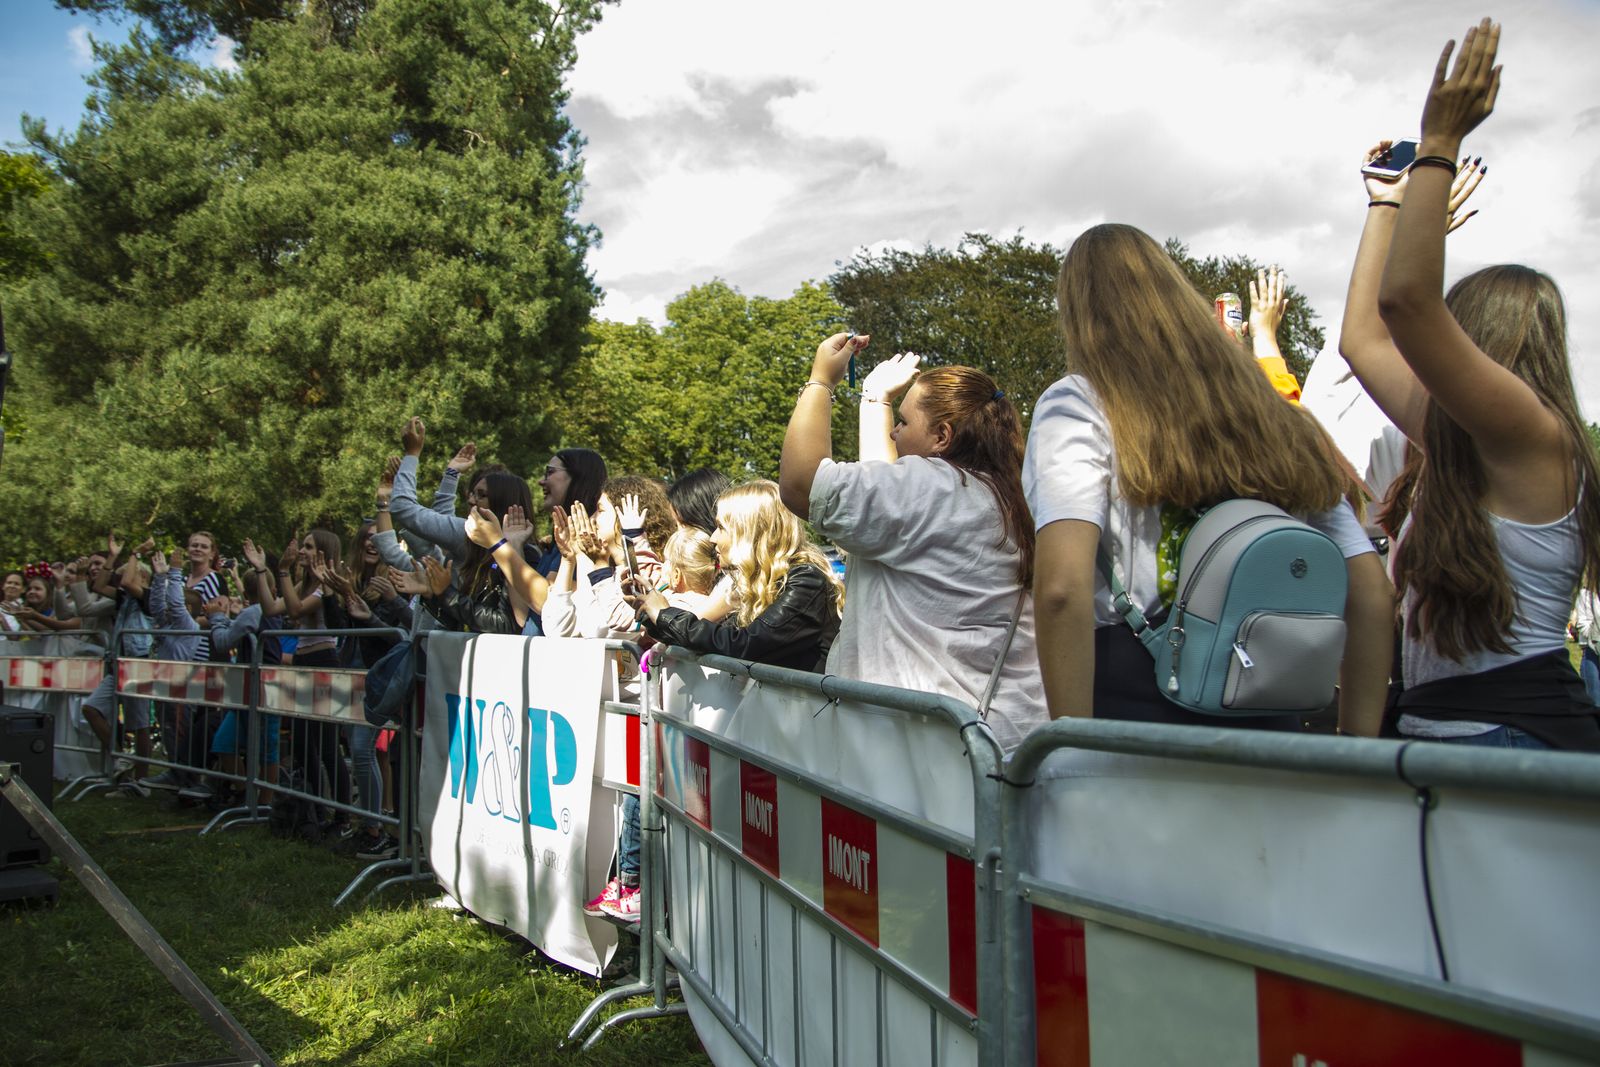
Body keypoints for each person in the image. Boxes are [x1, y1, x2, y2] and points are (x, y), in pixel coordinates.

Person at [1340, 20, 1600, 750]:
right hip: (1449, 732)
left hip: (1515, 736)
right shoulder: (1464, 439)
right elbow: (1364, 340)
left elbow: (1406, 305)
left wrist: (1440, 143)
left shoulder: (1532, 433)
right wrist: (1385, 204)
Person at [1025, 223, 1391, 733]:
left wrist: (1070, 745)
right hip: (1270, 709)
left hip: (1137, 712)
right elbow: (1372, 594)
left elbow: (1062, 588)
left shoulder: (1080, 403)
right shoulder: (1279, 417)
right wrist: (1356, 748)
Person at [779, 335, 1048, 752]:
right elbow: (888, 500)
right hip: (1006, 737)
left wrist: (820, 382)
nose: (893, 432)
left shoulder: (931, 488)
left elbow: (801, 484)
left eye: (903, 423)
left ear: (942, 436)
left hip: (932, 751)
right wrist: (876, 400)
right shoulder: (1007, 495)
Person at [623, 481, 843, 673]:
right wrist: (650, 612)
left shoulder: (806, 580)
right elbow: (716, 638)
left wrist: (664, 614)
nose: (712, 538)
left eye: (721, 527)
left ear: (751, 532)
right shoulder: (757, 581)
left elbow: (744, 645)